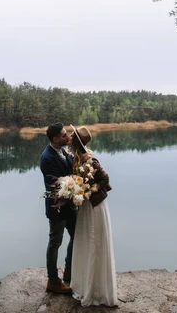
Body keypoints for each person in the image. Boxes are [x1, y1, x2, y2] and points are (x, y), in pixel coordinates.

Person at [68, 125, 118, 307]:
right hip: (86, 207)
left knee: (94, 243)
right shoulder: (76, 157)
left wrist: (88, 190)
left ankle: (97, 290)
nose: (68, 139)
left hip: (95, 207)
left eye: (71, 137)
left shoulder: (91, 161)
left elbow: (105, 180)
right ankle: (84, 283)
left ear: (76, 142)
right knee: (85, 242)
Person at [40, 122, 77, 294]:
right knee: (55, 242)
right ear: (55, 138)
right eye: (63, 135)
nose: (67, 136)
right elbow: (54, 184)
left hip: (70, 204)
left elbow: (71, 167)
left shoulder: (63, 150)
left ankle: (69, 270)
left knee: (77, 236)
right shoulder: (47, 158)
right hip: (57, 206)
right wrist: (76, 180)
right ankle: (53, 280)